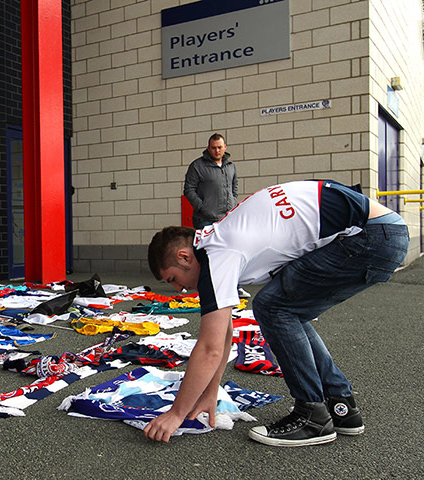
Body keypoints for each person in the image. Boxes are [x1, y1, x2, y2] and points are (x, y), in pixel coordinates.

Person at [144, 180, 409, 447]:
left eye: (172, 280)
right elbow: (223, 333)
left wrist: (176, 413)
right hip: (381, 231)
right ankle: (341, 405)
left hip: (370, 236)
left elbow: (210, 348)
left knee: (273, 307)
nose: (179, 289)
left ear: (184, 257)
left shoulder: (216, 254)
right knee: (283, 308)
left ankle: (312, 415)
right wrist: (210, 392)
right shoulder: (217, 238)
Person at [184, 133, 250, 299]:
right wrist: (202, 207)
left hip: (227, 218)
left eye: (219, 147)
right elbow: (189, 190)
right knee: (206, 254)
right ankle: (200, 286)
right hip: (205, 218)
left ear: (225, 147)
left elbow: (234, 187)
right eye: (213, 147)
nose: (217, 150)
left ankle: (236, 287)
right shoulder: (197, 166)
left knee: (231, 252)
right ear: (208, 148)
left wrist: (233, 203)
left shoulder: (230, 166)